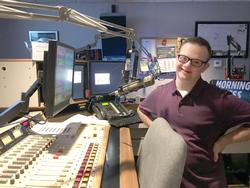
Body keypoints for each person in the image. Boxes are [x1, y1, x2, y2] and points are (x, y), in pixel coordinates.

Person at [137, 37, 250, 188]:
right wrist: (159, 132)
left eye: (196, 62)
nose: (187, 65)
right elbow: (141, 110)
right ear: (177, 57)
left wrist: (223, 141)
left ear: (205, 67)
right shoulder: (160, 93)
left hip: (205, 182)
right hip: (170, 181)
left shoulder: (219, 99)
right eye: (183, 58)